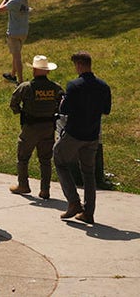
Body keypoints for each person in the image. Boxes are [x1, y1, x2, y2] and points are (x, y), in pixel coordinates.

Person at [54, 52, 112, 225]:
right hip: (93, 135)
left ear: (79, 65)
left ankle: (73, 202)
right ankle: (89, 212)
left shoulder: (74, 85)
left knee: (59, 160)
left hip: (74, 134)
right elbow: (106, 110)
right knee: (88, 173)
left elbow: (64, 110)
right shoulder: (103, 86)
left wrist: (63, 100)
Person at [9, 55, 63, 198]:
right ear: (48, 71)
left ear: (33, 70)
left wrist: (20, 112)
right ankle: (45, 189)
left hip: (30, 127)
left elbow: (13, 103)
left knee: (23, 157)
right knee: (45, 159)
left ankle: (23, 185)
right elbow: (62, 105)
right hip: (48, 127)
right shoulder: (56, 87)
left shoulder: (26, 87)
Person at [0, 0, 30, 82]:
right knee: (16, 55)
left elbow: (0, 9)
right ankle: (12, 75)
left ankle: (20, 81)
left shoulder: (13, 2)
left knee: (17, 58)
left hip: (14, 33)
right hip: (23, 31)